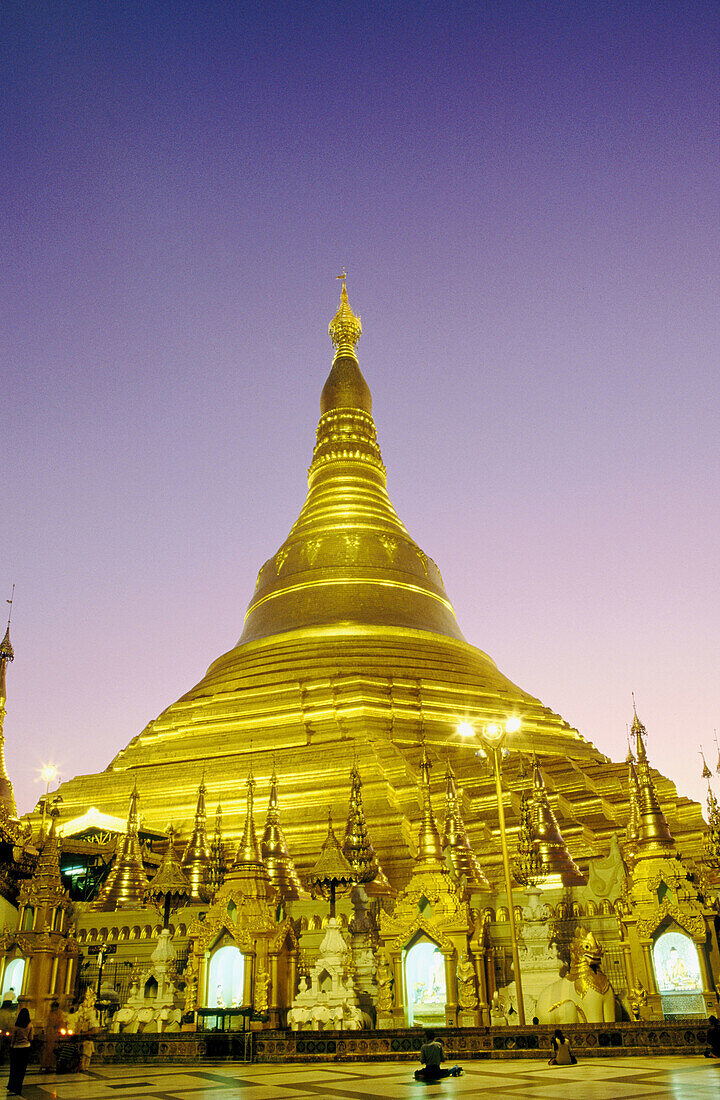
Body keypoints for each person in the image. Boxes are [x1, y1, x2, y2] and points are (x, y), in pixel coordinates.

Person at [7, 1007, 33, 1095]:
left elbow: (13, 1038)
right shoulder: (30, 1025)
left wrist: (11, 1046)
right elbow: (31, 1038)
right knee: (22, 1069)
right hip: (25, 1048)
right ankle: (18, 1086)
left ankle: (11, 1085)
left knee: (14, 1068)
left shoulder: (16, 1025)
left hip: (16, 1048)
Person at [40, 1000, 64, 1072]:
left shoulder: (57, 1014)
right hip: (51, 1033)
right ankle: (46, 1064)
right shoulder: (52, 1014)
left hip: (53, 1033)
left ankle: (50, 1065)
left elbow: (59, 1023)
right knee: (49, 1049)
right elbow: (52, 1022)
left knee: (52, 1049)